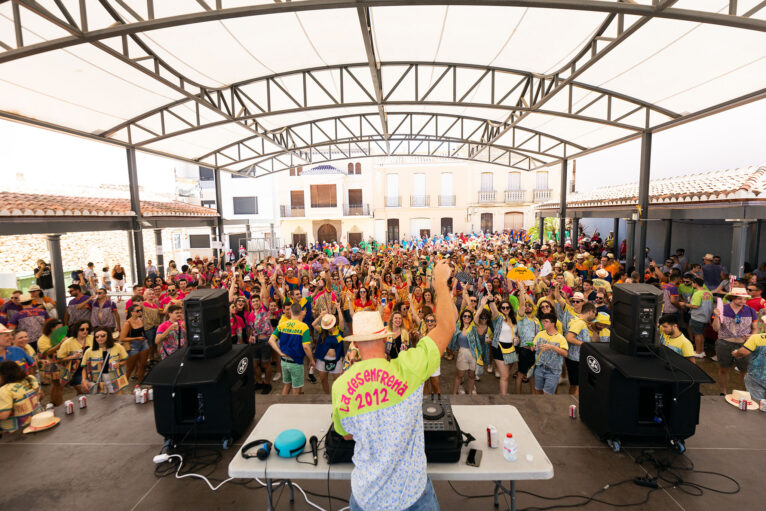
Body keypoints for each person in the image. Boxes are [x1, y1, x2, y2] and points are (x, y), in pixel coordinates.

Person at [330, 261, 455, 511]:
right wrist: (440, 280)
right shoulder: (409, 367)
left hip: (366, 497)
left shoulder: (341, 387)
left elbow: (346, 434)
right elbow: (447, 327)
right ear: (384, 336)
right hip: (412, 495)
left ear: (355, 343)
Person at [711, 289, 757, 396]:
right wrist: (717, 316)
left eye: (744, 299)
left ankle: (746, 395)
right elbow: (715, 328)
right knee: (723, 369)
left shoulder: (750, 311)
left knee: (745, 371)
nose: (743, 301)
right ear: (731, 298)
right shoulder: (722, 309)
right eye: (739, 298)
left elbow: (755, 328)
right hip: (724, 343)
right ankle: (723, 392)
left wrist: (752, 335)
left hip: (744, 344)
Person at [268, 302, 315, 395]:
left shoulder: (282, 324)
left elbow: (271, 340)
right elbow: (306, 347)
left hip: (284, 361)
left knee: (286, 385)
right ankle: (294, 407)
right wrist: (312, 360)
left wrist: (280, 353)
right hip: (296, 363)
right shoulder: (304, 327)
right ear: (300, 312)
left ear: (291, 312)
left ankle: (283, 406)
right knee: (296, 389)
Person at [81, 327, 129, 394]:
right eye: (97, 337)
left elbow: (125, 360)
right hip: (98, 381)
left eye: (102, 336)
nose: (99, 338)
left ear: (108, 336)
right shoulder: (89, 351)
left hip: (115, 379)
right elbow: (84, 367)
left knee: (118, 401)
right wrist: (84, 380)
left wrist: (119, 364)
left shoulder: (118, 347)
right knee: (101, 403)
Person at [0, 360, 43, 433]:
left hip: (15, 431)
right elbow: (41, 395)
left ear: (4, 376)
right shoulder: (31, 378)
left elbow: (4, 415)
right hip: (38, 420)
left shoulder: (5, 390)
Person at [564, 301, 597, 396]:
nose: (595, 316)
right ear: (590, 312)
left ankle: (571, 404)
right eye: (595, 313)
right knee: (578, 387)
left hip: (575, 359)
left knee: (574, 386)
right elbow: (569, 337)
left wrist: (594, 331)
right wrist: (585, 345)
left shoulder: (580, 322)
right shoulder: (580, 323)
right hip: (576, 360)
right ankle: (576, 407)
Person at [532, 313, 569, 395]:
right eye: (542, 321)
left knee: (547, 395)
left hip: (553, 371)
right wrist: (533, 346)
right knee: (538, 391)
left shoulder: (560, 338)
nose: (543, 323)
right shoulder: (540, 334)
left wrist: (552, 347)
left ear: (553, 324)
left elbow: (565, 353)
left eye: (546, 321)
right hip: (539, 368)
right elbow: (533, 346)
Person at [311, 313, 345, 394]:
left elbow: (341, 320)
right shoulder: (322, 331)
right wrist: (320, 316)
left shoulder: (339, 329)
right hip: (323, 360)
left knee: (337, 381)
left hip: (336, 360)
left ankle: (336, 396)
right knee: (323, 380)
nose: (328, 328)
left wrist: (338, 308)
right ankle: (327, 395)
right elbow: (313, 324)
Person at [56, 320, 93, 394]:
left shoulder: (92, 338)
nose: (85, 331)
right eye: (82, 329)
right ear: (76, 330)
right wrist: (72, 357)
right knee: (83, 390)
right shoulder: (68, 342)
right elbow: (59, 359)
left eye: (87, 329)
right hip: (75, 371)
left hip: (90, 368)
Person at [732, 325, 766, 402]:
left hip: (756, 377)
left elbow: (743, 352)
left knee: (755, 403)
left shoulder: (756, 338)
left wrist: (735, 353)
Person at [248, 294, 274, 394]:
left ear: (260, 301)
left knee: (266, 364)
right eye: (253, 301)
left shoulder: (264, 310)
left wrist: (263, 282)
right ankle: (259, 382)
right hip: (255, 343)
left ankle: (267, 384)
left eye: (257, 301)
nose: (255, 303)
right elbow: (251, 328)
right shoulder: (250, 315)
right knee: (255, 364)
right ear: (251, 303)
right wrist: (250, 336)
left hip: (265, 342)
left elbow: (267, 298)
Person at [685, 277, 713, 358]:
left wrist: (684, 304)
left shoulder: (697, 293)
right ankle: (701, 351)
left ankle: (698, 352)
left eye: (692, 283)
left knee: (697, 335)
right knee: (701, 334)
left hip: (697, 317)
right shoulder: (708, 292)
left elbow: (695, 306)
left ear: (695, 284)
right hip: (705, 317)